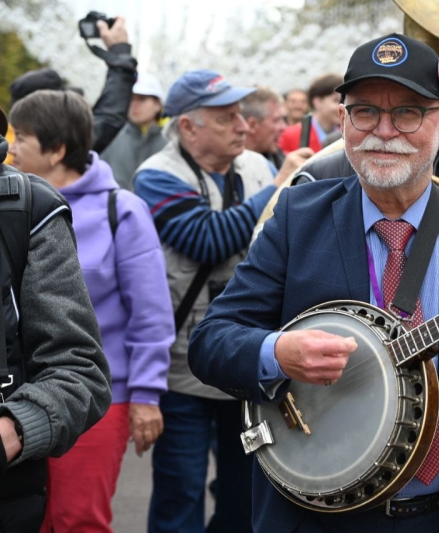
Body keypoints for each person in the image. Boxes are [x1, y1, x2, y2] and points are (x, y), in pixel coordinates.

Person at [188, 33, 439, 531]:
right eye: (365, 112)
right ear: (342, 120)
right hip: (315, 515)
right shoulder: (298, 217)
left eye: (407, 113)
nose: (383, 131)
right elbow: (210, 342)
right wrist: (276, 353)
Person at [8, 89, 174, 532]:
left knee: (77, 518)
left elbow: (151, 313)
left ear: (57, 150)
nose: (10, 146)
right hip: (18, 401)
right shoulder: (12, 207)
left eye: (21, 136)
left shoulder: (121, 210)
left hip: (97, 402)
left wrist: (145, 395)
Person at [133, 69, 281, 533]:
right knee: (181, 495)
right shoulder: (156, 176)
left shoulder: (257, 167)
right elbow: (207, 240)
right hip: (184, 371)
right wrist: (282, 190)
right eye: (226, 118)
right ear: (187, 127)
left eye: (240, 114)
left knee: (246, 495)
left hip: (246, 364)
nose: (242, 126)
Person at [0, 110, 111, 531]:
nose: (16, 146)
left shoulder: (28, 208)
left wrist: (11, 430)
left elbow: (79, 367)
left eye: (26, 138)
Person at [9, 16, 137, 156]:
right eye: (61, 104)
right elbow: (109, 118)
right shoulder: (49, 151)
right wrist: (120, 53)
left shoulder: (20, 149)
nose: (69, 110)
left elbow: (108, 118)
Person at [101, 72, 168, 190]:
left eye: (142, 99)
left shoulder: (170, 141)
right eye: (130, 98)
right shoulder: (111, 136)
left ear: (158, 104)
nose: (134, 105)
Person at [241, 86, 314, 185]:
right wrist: (282, 180)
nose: (283, 127)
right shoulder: (228, 168)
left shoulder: (278, 159)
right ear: (252, 125)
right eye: (276, 120)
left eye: (283, 119)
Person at [278, 73, 343, 153]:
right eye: (336, 100)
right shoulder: (291, 135)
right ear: (317, 102)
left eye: (344, 101)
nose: (342, 106)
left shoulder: (345, 135)